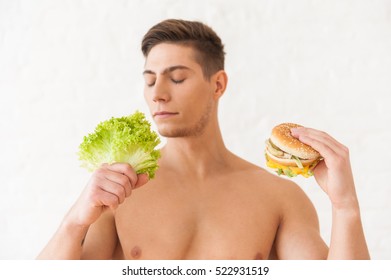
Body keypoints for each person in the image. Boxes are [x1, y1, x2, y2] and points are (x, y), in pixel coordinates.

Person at [37, 19, 370, 260]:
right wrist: (74, 222)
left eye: (177, 78)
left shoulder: (279, 198)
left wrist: (346, 207)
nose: (159, 95)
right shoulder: (119, 193)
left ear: (218, 85)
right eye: (150, 81)